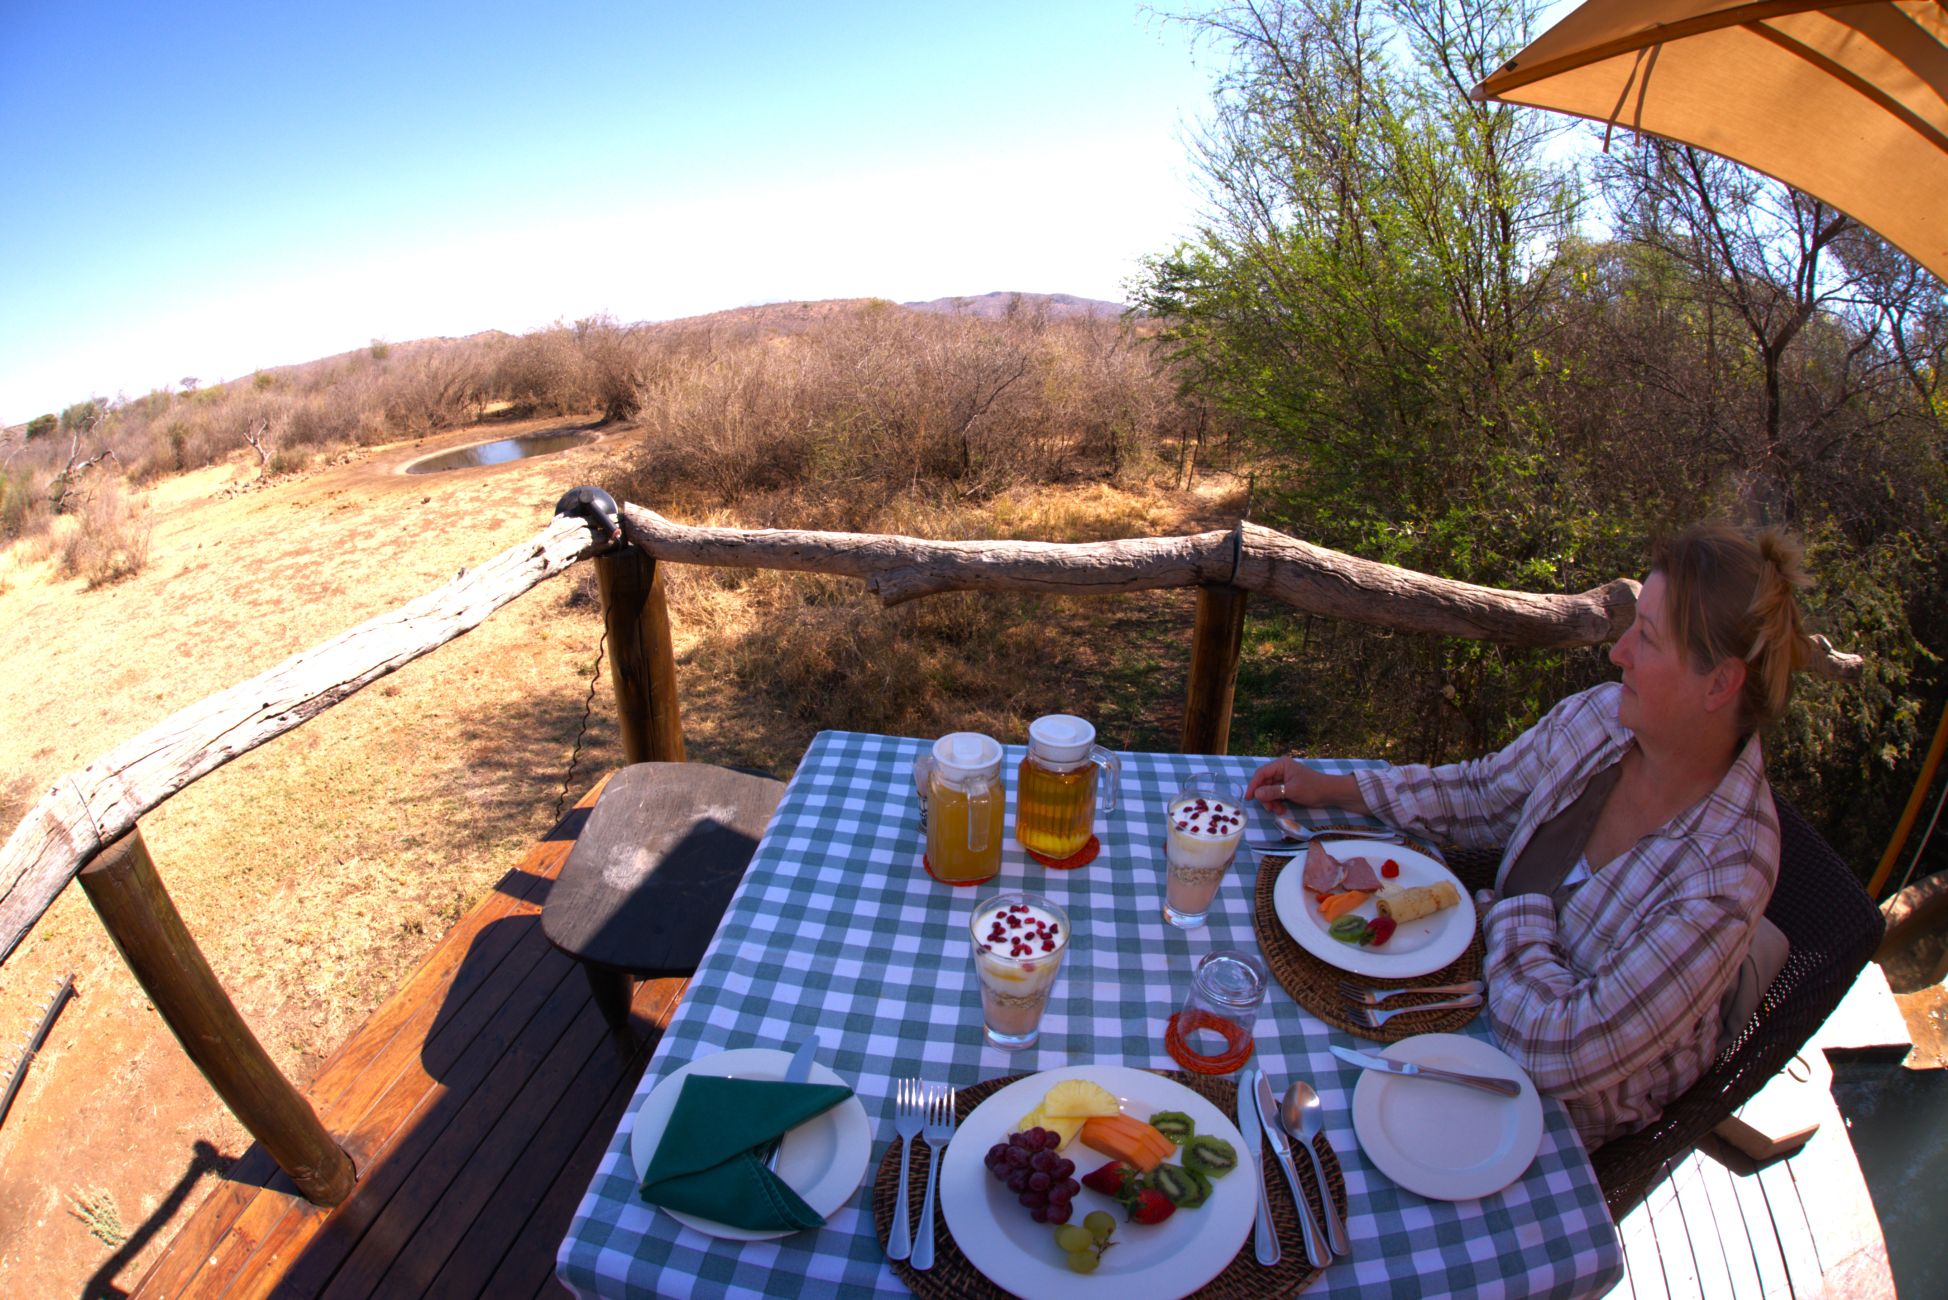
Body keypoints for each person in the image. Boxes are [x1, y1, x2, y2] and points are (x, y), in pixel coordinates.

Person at [1246, 523, 1815, 1147]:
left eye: (1647, 638)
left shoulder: (1726, 871)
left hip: (1561, 1110)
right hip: (1470, 991)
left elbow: (1565, 1053)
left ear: (1720, 683)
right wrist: (1334, 788)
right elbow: (1482, 795)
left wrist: (1503, 911)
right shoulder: (1606, 718)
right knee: (1278, 1037)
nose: (1617, 652)